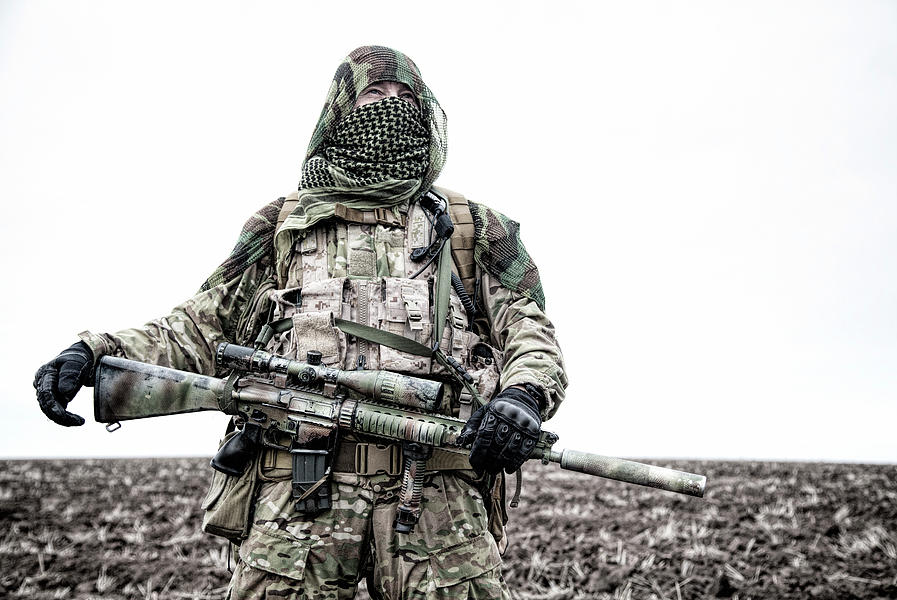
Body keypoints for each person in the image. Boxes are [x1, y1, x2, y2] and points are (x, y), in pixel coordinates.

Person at [34, 46, 567, 600]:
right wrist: (97, 353)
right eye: (374, 94)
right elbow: (203, 327)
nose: (391, 105)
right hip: (300, 485)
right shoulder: (282, 225)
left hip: (434, 493)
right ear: (341, 109)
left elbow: (529, 327)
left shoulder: (468, 227)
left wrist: (522, 397)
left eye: (404, 95)